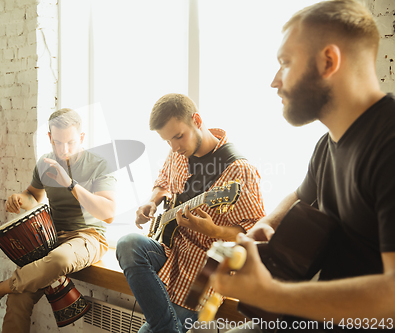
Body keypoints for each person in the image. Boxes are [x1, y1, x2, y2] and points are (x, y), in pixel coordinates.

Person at [211, 0, 395, 332]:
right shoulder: (328, 145)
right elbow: (301, 193)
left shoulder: (389, 145)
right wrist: (266, 224)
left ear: (328, 61)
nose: (274, 81)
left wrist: (272, 294)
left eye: (285, 63)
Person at [116, 93, 265, 333]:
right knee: (127, 244)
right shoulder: (178, 152)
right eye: (167, 141)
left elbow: (253, 234)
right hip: (170, 250)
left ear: (196, 119)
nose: (174, 147)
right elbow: (163, 181)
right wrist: (152, 201)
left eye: (178, 136)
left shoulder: (239, 169)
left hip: (206, 269)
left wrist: (213, 230)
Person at [0, 108, 117, 332]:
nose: (64, 149)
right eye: (58, 143)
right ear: (50, 138)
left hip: (89, 237)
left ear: (81, 138)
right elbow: (33, 195)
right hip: (52, 237)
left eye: (71, 142)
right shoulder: (45, 162)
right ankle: (8, 291)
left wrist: (70, 183)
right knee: (18, 298)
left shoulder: (99, 164)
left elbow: (108, 213)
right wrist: (19, 199)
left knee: (59, 260)